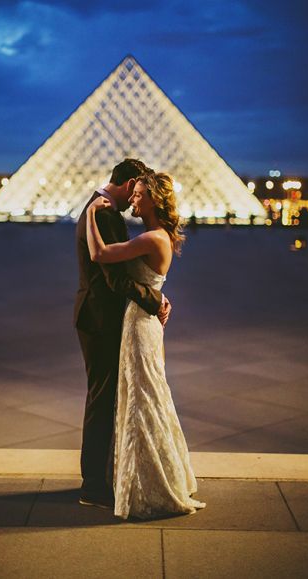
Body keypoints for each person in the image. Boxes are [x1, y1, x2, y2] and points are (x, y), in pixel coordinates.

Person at [86, 171, 206, 519]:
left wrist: (92, 212)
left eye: (139, 195)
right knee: (148, 396)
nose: (132, 200)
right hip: (143, 321)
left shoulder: (152, 238)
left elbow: (101, 254)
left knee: (141, 399)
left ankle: (146, 485)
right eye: (134, 193)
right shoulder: (159, 236)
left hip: (140, 324)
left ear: (154, 199)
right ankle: (154, 477)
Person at [74, 158, 170, 509]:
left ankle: (105, 478)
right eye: (138, 189)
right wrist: (155, 299)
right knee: (103, 400)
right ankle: (93, 487)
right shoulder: (101, 212)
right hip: (101, 319)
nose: (135, 199)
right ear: (131, 184)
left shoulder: (100, 209)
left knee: (111, 398)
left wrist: (155, 296)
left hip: (100, 315)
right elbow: (114, 276)